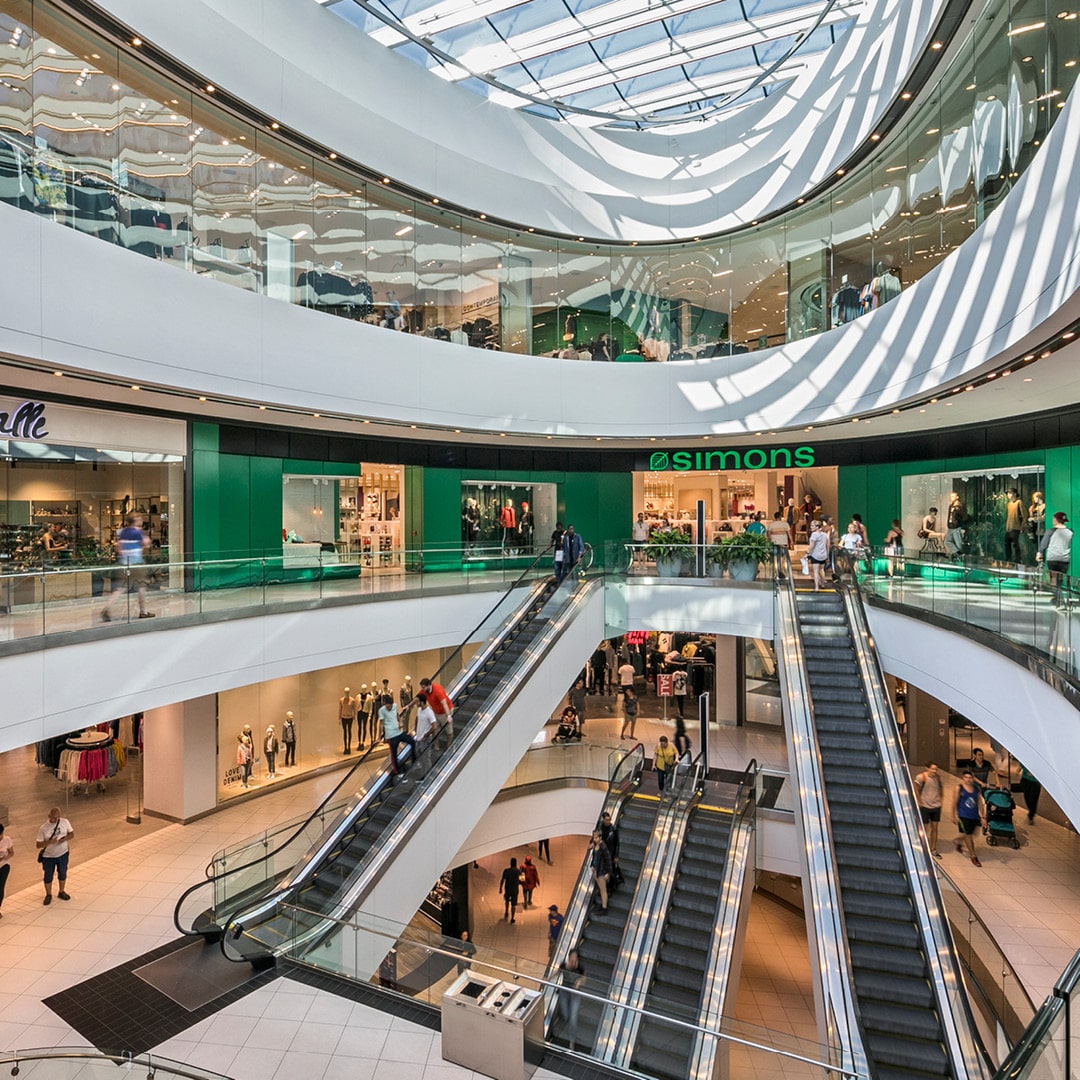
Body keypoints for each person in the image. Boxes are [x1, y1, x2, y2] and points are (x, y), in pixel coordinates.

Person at [101, 512, 154, 621]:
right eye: (139, 519)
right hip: (137, 564)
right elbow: (147, 543)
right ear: (135, 520)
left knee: (120, 588)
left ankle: (107, 607)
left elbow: (118, 548)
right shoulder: (138, 532)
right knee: (141, 586)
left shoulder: (123, 532)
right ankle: (143, 611)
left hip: (124, 563)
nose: (141, 520)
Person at [37, 806, 74, 905]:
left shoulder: (65, 822)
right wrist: (49, 842)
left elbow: (72, 834)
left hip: (63, 853)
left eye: (56, 818)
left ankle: (61, 891)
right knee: (48, 875)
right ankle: (48, 894)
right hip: (49, 857)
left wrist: (64, 838)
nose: (54, 820)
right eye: (52, 817)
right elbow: (38, 845)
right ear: (49, 816)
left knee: (62, 872)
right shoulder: (43, 828)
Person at [1037, 511, 1073, 605]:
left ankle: (1057, 598)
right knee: (1060, 578)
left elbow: (1043, 544)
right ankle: (1062, 597)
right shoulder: (1070, 532)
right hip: (1064, 559)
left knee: (1053, 579)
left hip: (1053, 558)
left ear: (1056, 520)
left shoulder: (1050, 531)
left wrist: (1039, 553)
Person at [953, 771, 986, 866]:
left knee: (972, 834)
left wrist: (982, 817)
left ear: (972, 778)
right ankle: (973, 856)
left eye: (970, 777)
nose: (968, 779)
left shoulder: (976, 789)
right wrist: (953, 815)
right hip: (963, 816)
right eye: (966, 777)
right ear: (963, 778)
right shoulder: (959, 788)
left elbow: (979, 803)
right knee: (968, 835)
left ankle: (958, 841)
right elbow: (954, 802)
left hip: (974, 816)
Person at [380, 695, 415, 780]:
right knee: (394, 754)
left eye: (390, 705)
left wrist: (400, 722)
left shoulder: (394, 706)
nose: (389, 707)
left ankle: (414, 760)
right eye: (387, 706)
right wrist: (380, 736)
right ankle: (397, 772)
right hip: (391, 736)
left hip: (398, 733)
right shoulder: (382, 711)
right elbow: (381, 723)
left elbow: (397, 715)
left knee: (412, 742)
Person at [914, 762, 943, 858]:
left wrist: (941, 801)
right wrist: (919, 801)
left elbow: (941, 789)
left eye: (936, 769)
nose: (934, 771)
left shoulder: (938, 778)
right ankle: (922, 846)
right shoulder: (921, 777)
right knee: (924, 828)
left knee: (935, 828)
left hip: (936, 806)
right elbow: (916, 789)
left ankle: (933, 848)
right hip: (925, 806)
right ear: (927, 768)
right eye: (932, 769)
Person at [559, 949, 586, 1051]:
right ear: (569, 958)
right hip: (564, 991)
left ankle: (572, 1041)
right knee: (566, 1015)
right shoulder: (564, 965)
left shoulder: (580, 967)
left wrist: (579, 981)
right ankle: (567, 1022)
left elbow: (584, 979)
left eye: (575, 959)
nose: (573, 961)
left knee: (573, 1018)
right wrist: (547, 980)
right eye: (572, 958)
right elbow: (557, 972)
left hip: (575, 994)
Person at [589, 829, 612, 915]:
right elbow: (594, 856)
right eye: (594, 837)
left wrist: (608, 872)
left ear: (600, 837)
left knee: (603, 890)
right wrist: (592, 865)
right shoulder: (595, 845)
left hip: (601, 871)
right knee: (600, 888)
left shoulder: (603, 847)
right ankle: (603, 905)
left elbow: (608, 860)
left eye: (596, 837)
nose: (594, 839)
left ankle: (604, 908)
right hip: (596, 870)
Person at [806, 519, 830, 591]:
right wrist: (827, 555)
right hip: (823, 555)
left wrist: (807, 553)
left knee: (815, 571)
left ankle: (816, 588)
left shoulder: (814, 534)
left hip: (815, 555)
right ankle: (822, 584)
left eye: (812, 526)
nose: (811, 527)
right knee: (822, 570)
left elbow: (812, 545)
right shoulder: (825, 534)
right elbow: (827, 545)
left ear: (817, 527)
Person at [1004, 489, 1026, 563]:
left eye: (1010, 493)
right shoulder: (1009, 504)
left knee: (1016, 546)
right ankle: (1008, 560)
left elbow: (1025, 515)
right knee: (1007, 545)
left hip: (1016, 528)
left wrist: (1021, 527)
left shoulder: (1019, 502)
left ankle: (1018, 560)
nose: (1009, 495)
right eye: (1008, 493)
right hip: (1008, 528)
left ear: (1015, 494)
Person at [499, 856, 522, 923]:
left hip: (508, 888)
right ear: (516, 863)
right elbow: (522, 880)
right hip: (515, 889)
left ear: (510, 863)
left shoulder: (506, 871)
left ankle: (506, 911)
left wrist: (500, 888)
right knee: (513, 904)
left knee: (507, 900)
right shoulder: (518, 871)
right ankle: (512, 918)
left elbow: (502, 879)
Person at [339, 687, 357, 754]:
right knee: (345, 733)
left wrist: (354, 717)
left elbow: (354, 709)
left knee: (349, 731)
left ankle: (349, 747)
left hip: (350, 718)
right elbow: (340, 709)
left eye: (347, 692)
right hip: (343, 717)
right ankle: (345, 747)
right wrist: (339, 718)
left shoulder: (352, 700)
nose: (346, 693)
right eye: (345, 692)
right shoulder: (341, 700)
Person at [0, 822, 12, 916]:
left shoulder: (7, 840)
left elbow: (11, 853)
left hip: (4, 866)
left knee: (0, 888)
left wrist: (4, 858)